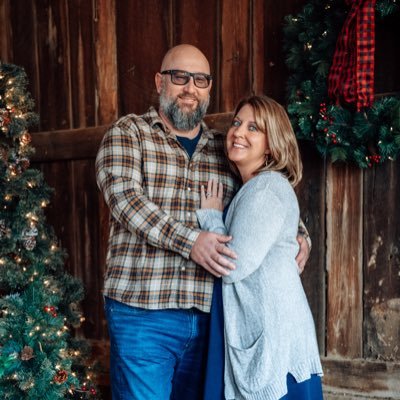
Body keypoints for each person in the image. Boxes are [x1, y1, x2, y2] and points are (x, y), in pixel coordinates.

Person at [95, 44, 311, 400]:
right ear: (159, 81)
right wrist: (191, 241)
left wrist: (300, 235)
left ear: (209, 89)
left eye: (200, 80)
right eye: (179, 77)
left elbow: (260, 198)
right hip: (144, 315)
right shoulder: (129, 134)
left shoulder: (223, 148)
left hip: (212, 321)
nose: (189, 88)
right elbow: (126, 201)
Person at [197, 95, 323, 400]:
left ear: (270, 144)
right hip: (269, 334)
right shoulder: (255, 188)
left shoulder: (265, 188)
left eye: (254, 128)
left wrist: (212, 218)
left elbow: (233, 265)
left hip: (273, 343)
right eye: (237, 123)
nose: (238, 132)